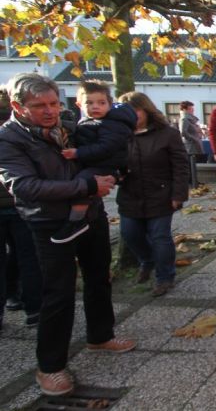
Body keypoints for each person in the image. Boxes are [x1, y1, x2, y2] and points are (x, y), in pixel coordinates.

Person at [0, 73, 135, 397]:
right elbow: (24, 186)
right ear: (18, 106)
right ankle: (50, 366)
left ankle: (100, 335)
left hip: (91, 214)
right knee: (58, 293)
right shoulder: (8, 139)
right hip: (49, 223)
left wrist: (114, 172)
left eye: (54, 104)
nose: (50, 111)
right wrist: (87, 185)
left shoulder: (71, 126)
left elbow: (104, 152)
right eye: (40, 106)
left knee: (99, 278)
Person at [117, 92, 189, 297]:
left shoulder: (167, 134)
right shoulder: (119, 134)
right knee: (130, 233)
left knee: (160, 237)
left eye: (135, 111)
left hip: (161, 195)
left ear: (146, 110)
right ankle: (147, 261)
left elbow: (180, 166)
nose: (131, 116)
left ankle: (165, 277)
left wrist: (178, 194)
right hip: (130, 196)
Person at [53, 80, 136, 244]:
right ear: (79, 104)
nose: (95, 107)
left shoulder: (112, 124)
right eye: (89, 103)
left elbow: (106, 147)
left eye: (101, 103)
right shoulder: (87, 122)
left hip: (105, 165)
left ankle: (76, 221)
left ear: (110, 104)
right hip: (97, 162)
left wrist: (78, 153)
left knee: (83, 184)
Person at [0, 92, 42, 330]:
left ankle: (18, 300)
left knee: (25, 256)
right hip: (20, 205)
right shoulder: (18, 135)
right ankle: (34, 309)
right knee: (28, 257)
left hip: (19, 206)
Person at [178, 101, 204, 188]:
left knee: (192, 163)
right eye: (190, 109)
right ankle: (192, 182)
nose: (192, 110)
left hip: (193, 144)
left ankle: (194, 181)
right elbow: (183, 132)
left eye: (192, 108)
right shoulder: (184, 119)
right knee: (190, 164)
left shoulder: (190, 119)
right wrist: (194, 139)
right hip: (189, 145)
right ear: (184, 109)